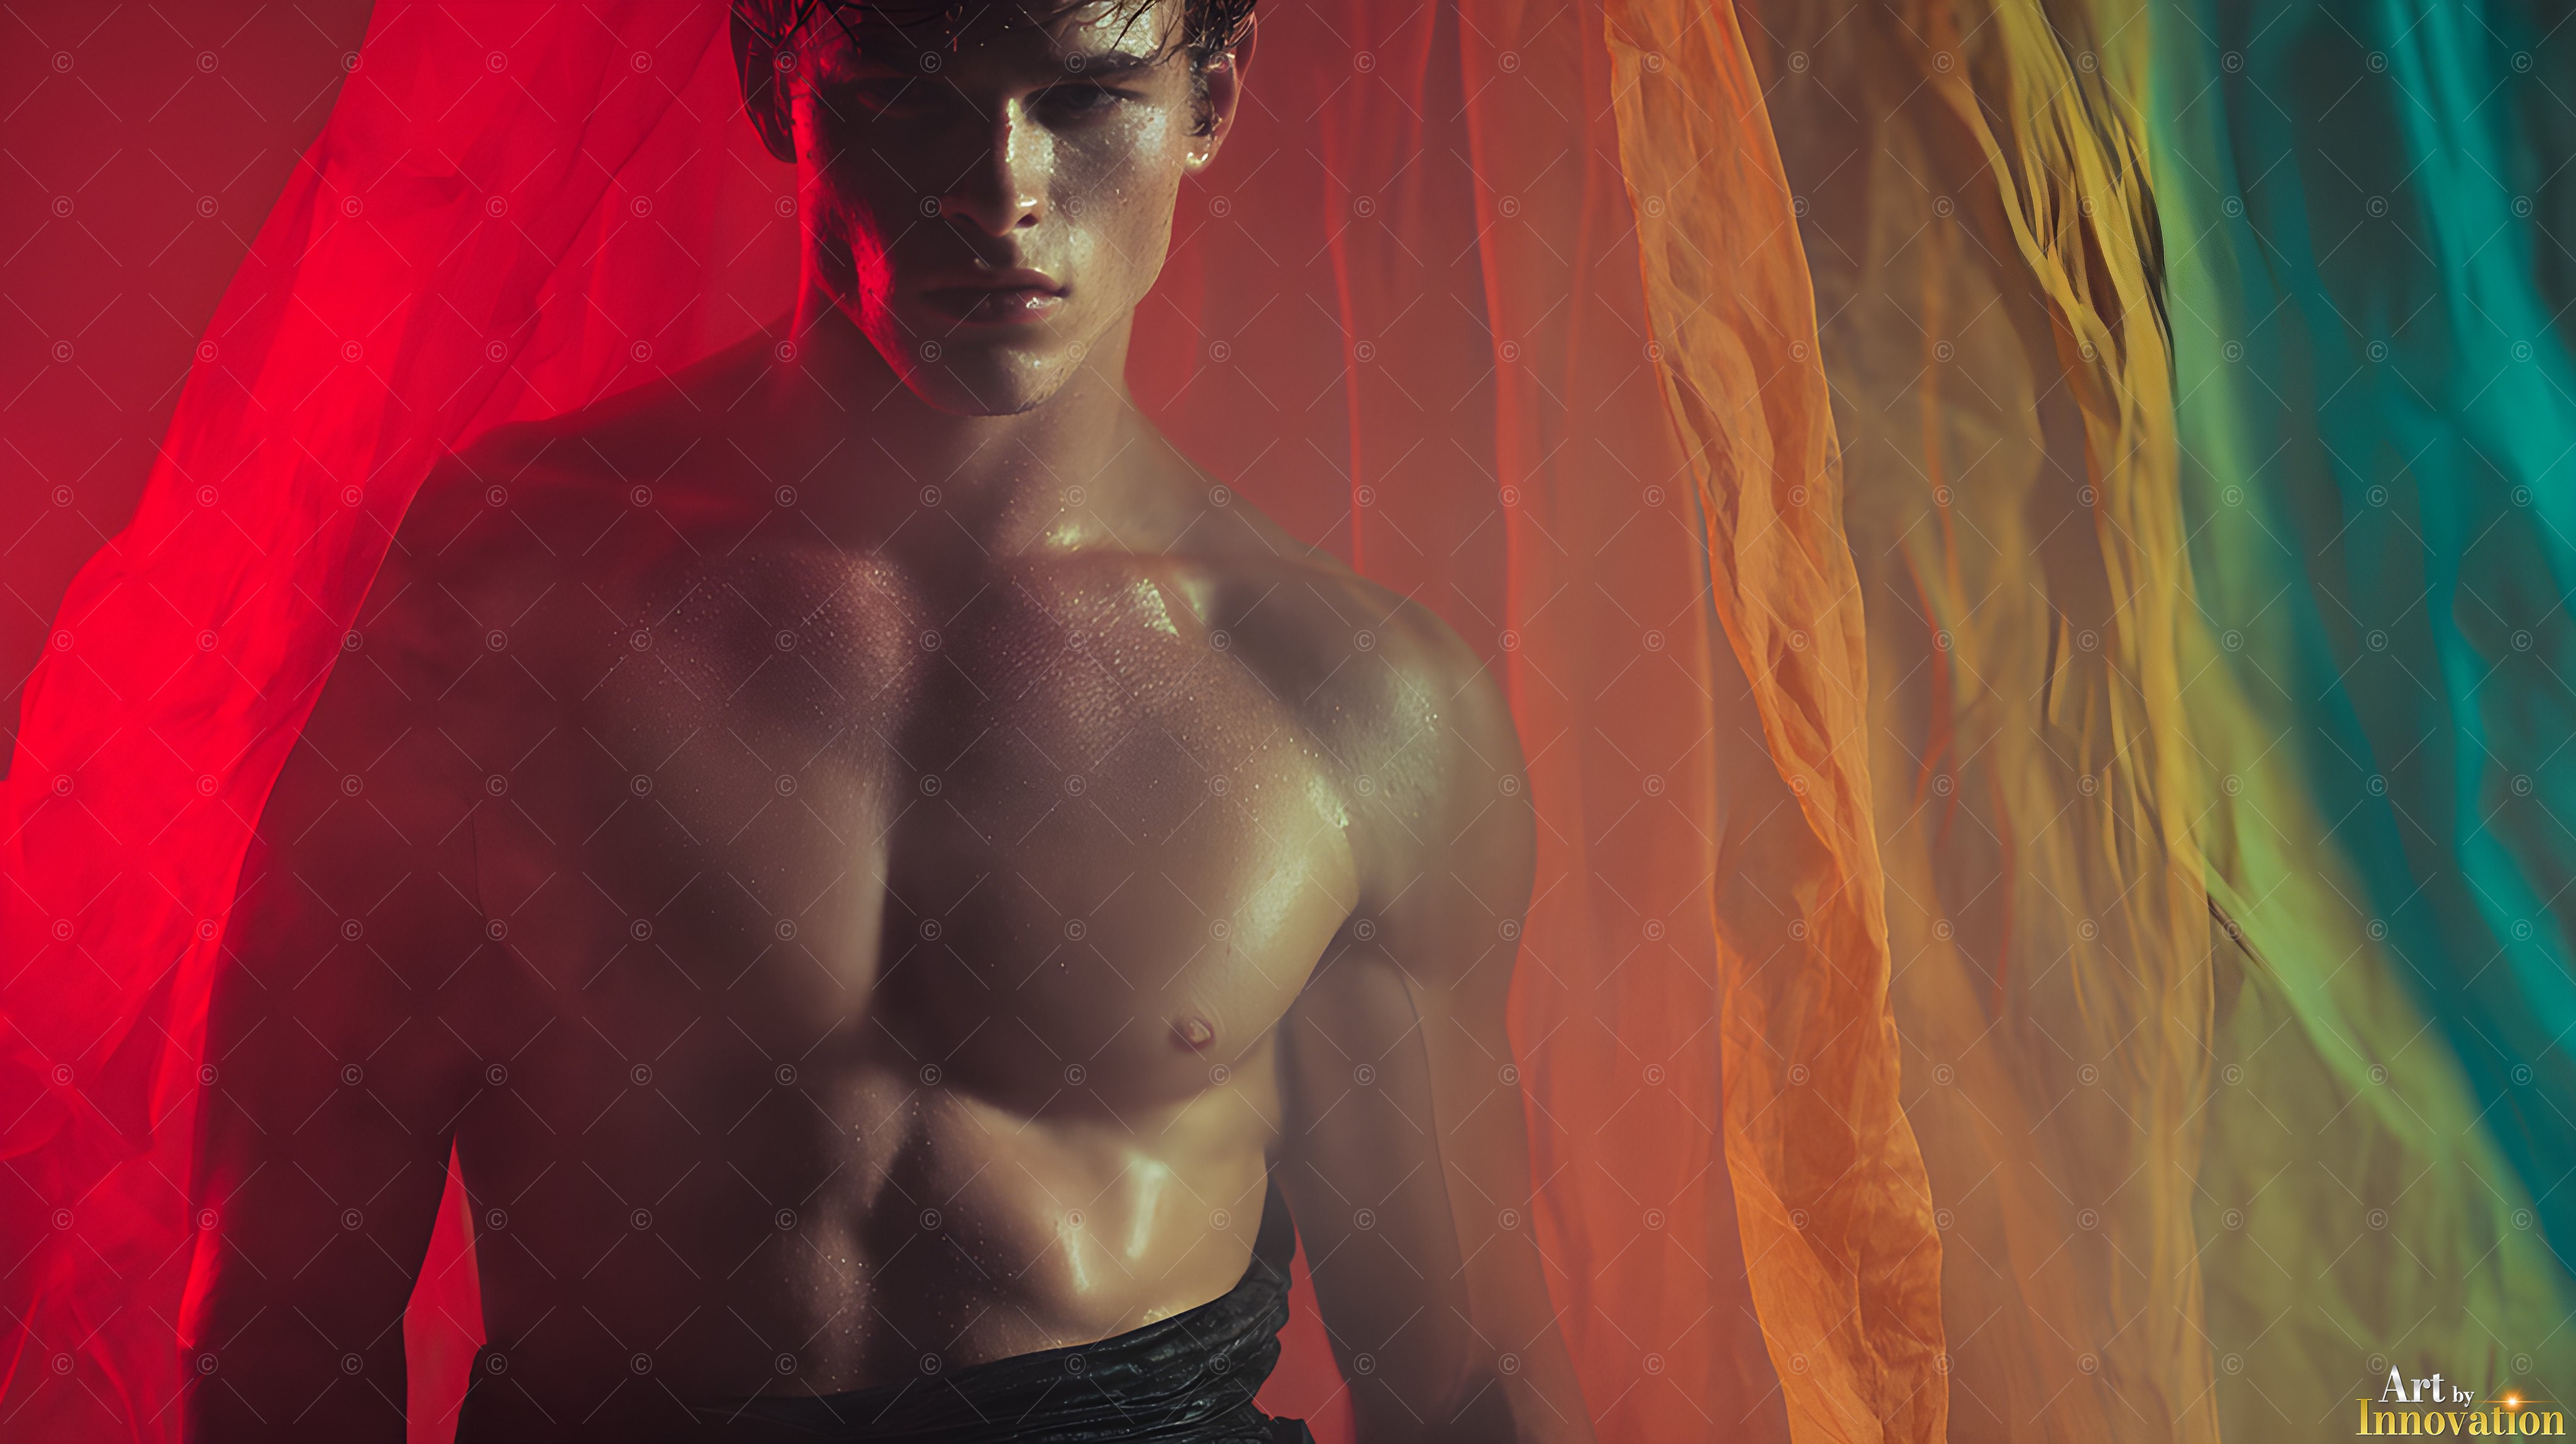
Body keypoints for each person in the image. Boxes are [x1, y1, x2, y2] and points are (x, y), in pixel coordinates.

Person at [176, 1, 1597, 1440]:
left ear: (1211, 95)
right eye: (909, 92)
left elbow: (1463, 1381)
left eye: (1085, 98)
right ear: (771, 82)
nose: (999, 189)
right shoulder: (505, 595)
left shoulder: (1359, 706)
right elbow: (284, 1318)